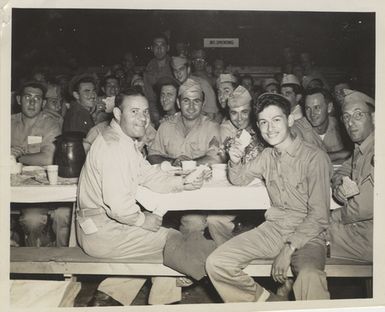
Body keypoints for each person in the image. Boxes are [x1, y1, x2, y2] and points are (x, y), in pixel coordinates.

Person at [77, 88, 204, 306]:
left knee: (158, 244)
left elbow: (147, 173)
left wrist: (182, 182)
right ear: (117, 114)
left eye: (145, 112)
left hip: (100, 228)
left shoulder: (122, 140)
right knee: (173, 241)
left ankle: (109, 297)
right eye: (134, 111)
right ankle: (163, 303)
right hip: (103, 233)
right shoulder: (114, 146)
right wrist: (143, 220)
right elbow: (118, 206)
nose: (142, 118)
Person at [206, 92, 331, 302]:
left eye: (276, 120)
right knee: (217, 262)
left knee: (310, 276)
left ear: (290, 120)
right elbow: (239, 179)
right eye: (263, 122)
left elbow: (319, 216)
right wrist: (235, 160)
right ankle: (267, 303)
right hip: (273, 230)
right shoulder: (267, 156)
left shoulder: (314, 157)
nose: (270, 128)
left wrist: (288, 249)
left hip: (307, 234)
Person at [11, 81, 70, 247]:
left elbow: (49, 158)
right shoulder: (7, 122)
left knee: (32, 220)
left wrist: (16, 157)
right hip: (11, 189)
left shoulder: (50, 124)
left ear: (43, 103)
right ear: (19, 100)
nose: (32, 102)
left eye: (37, 98)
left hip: (40, 192)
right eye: (27, 97)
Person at [210, 85, 265, 245]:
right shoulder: (224, 130)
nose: (239, 119)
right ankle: (228, 255)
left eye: (244, 112)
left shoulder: (263, 129)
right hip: (234, 192)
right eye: (234, 113)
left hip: (261, 194)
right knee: (214, 220)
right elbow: (216, 157)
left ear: (252, 111)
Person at [329, 89, 374, 262]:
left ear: (374, 118)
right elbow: (342, 171)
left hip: (371, 238)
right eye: (346, 117)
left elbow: (365, 207)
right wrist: (339, 185)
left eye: (358, 115)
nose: (351, 123)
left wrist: (333, 216)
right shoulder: (360, 147)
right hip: (360, 228)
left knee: (309, 235)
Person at [291, 88, 351, 164]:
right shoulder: (297, 128)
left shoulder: (340, 125)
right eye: (308, 108)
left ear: (329, 108)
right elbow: (302, 159)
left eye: (317, 107)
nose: (312, 114)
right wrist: (341, 154)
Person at [170, 56, 219, 121]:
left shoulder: (202, 85)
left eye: (181, 69)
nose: (178, 73)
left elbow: (211, 115)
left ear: (188, 70)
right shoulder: (174, 86)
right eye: (175, 70)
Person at [143, 33, 174, 127]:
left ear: (168, 48)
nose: (159, 49)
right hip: (155, 113)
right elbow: (149, 96)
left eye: (162, 45)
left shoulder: (175, 66)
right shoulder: (148, 68)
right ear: (152, 49)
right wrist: (154, 115)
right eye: (156, 46)